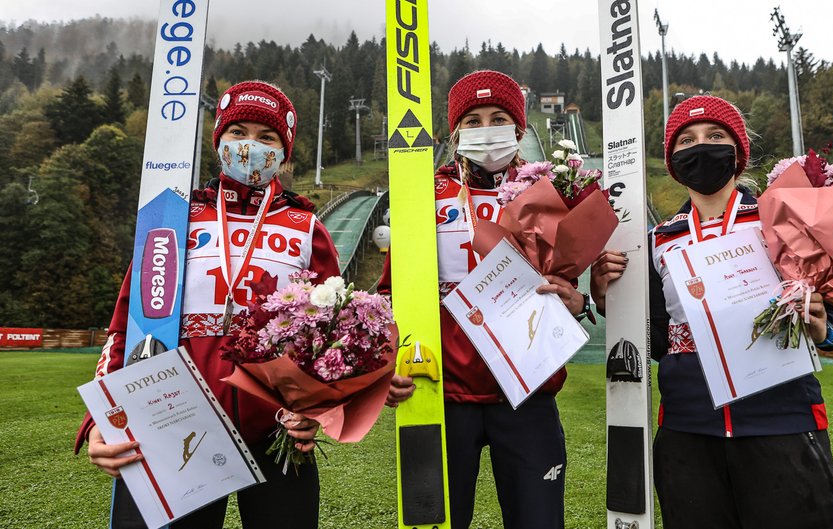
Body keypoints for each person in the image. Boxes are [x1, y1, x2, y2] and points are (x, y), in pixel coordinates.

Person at [74, 80, 341, 529]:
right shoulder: (175, 216)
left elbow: (332, 336)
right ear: (218, 140)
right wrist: (102, 416)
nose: (250, 146)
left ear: (284, 151)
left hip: (277, 432)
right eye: (238, 132)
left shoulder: (306, 225)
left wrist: (317, 409)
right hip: (176, 425)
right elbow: (126, 324)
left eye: (267, 137)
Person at [591, 95, 833, 529]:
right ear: (672, 160)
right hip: (687, 432)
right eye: (686, 141)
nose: (701, 147)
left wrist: (825, 327)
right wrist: (611, 303)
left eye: (715, 136)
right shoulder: (655, 241)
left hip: (783, 421)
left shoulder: (782, 218)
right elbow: (657, 340)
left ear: (739, 151)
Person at [382, 70, 592, 529]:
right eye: (472, 120)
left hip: (527, 392)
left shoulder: (549, 193)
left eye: (498, 118)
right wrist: (388, 363)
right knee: (434, 521)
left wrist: (577, 302)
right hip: (440, 394)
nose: (485, 129)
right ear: (454, 132)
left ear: (519, 129)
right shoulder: (423, 193)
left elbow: (571, 284)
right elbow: (389, 292)